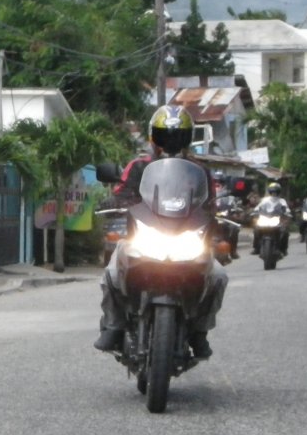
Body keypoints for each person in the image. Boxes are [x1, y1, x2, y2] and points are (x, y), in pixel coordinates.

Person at [93, 105, 228, 359]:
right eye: (165, 134)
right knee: (111, 273)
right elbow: (121, 194)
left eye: (177, 135)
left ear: (187, 137)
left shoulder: (199, 172)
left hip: (185, 237)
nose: (171, 141)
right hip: (145, 235)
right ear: (154, 136)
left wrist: (217, 226)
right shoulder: (138, 166)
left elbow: (210, 206)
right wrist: (114, 205)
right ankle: (114, 325)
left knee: (218, 276)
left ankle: (199, 332)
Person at [251, 182, 292, 256]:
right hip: (265, 219)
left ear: (279, 192)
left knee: (285, 232)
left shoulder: (282, 201)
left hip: (276, 220)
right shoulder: (265, 200)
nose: (274, 193)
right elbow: (257, 208)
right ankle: (256, 248)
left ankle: (283, 249)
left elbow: (287, 209)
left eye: (276, 192)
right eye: (272, 192)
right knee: (256, 230)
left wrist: (287, 213)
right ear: (270, 192)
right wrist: (255, 212)